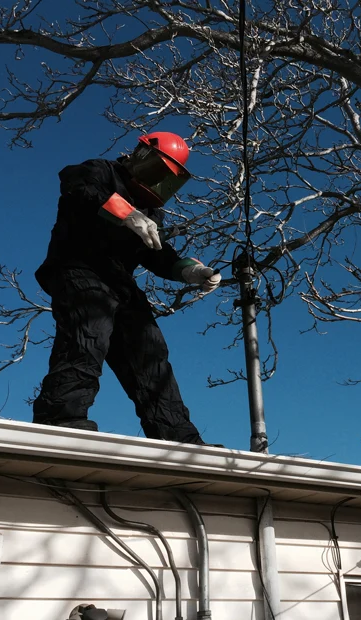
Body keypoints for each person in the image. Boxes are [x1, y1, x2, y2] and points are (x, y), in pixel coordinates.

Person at [32, 131, 221, 445]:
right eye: (158, 169)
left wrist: (190, 270)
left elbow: (155, 252)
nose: (159, 179)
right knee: (90, 330)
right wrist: (124, 213)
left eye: (167, 176)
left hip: (119, 282)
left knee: (149, 349)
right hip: (79, 267)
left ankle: (176, 436)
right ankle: (60, 416)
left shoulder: (149, 209)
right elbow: (79, 188)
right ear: (141, 155)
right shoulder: (100, 171)